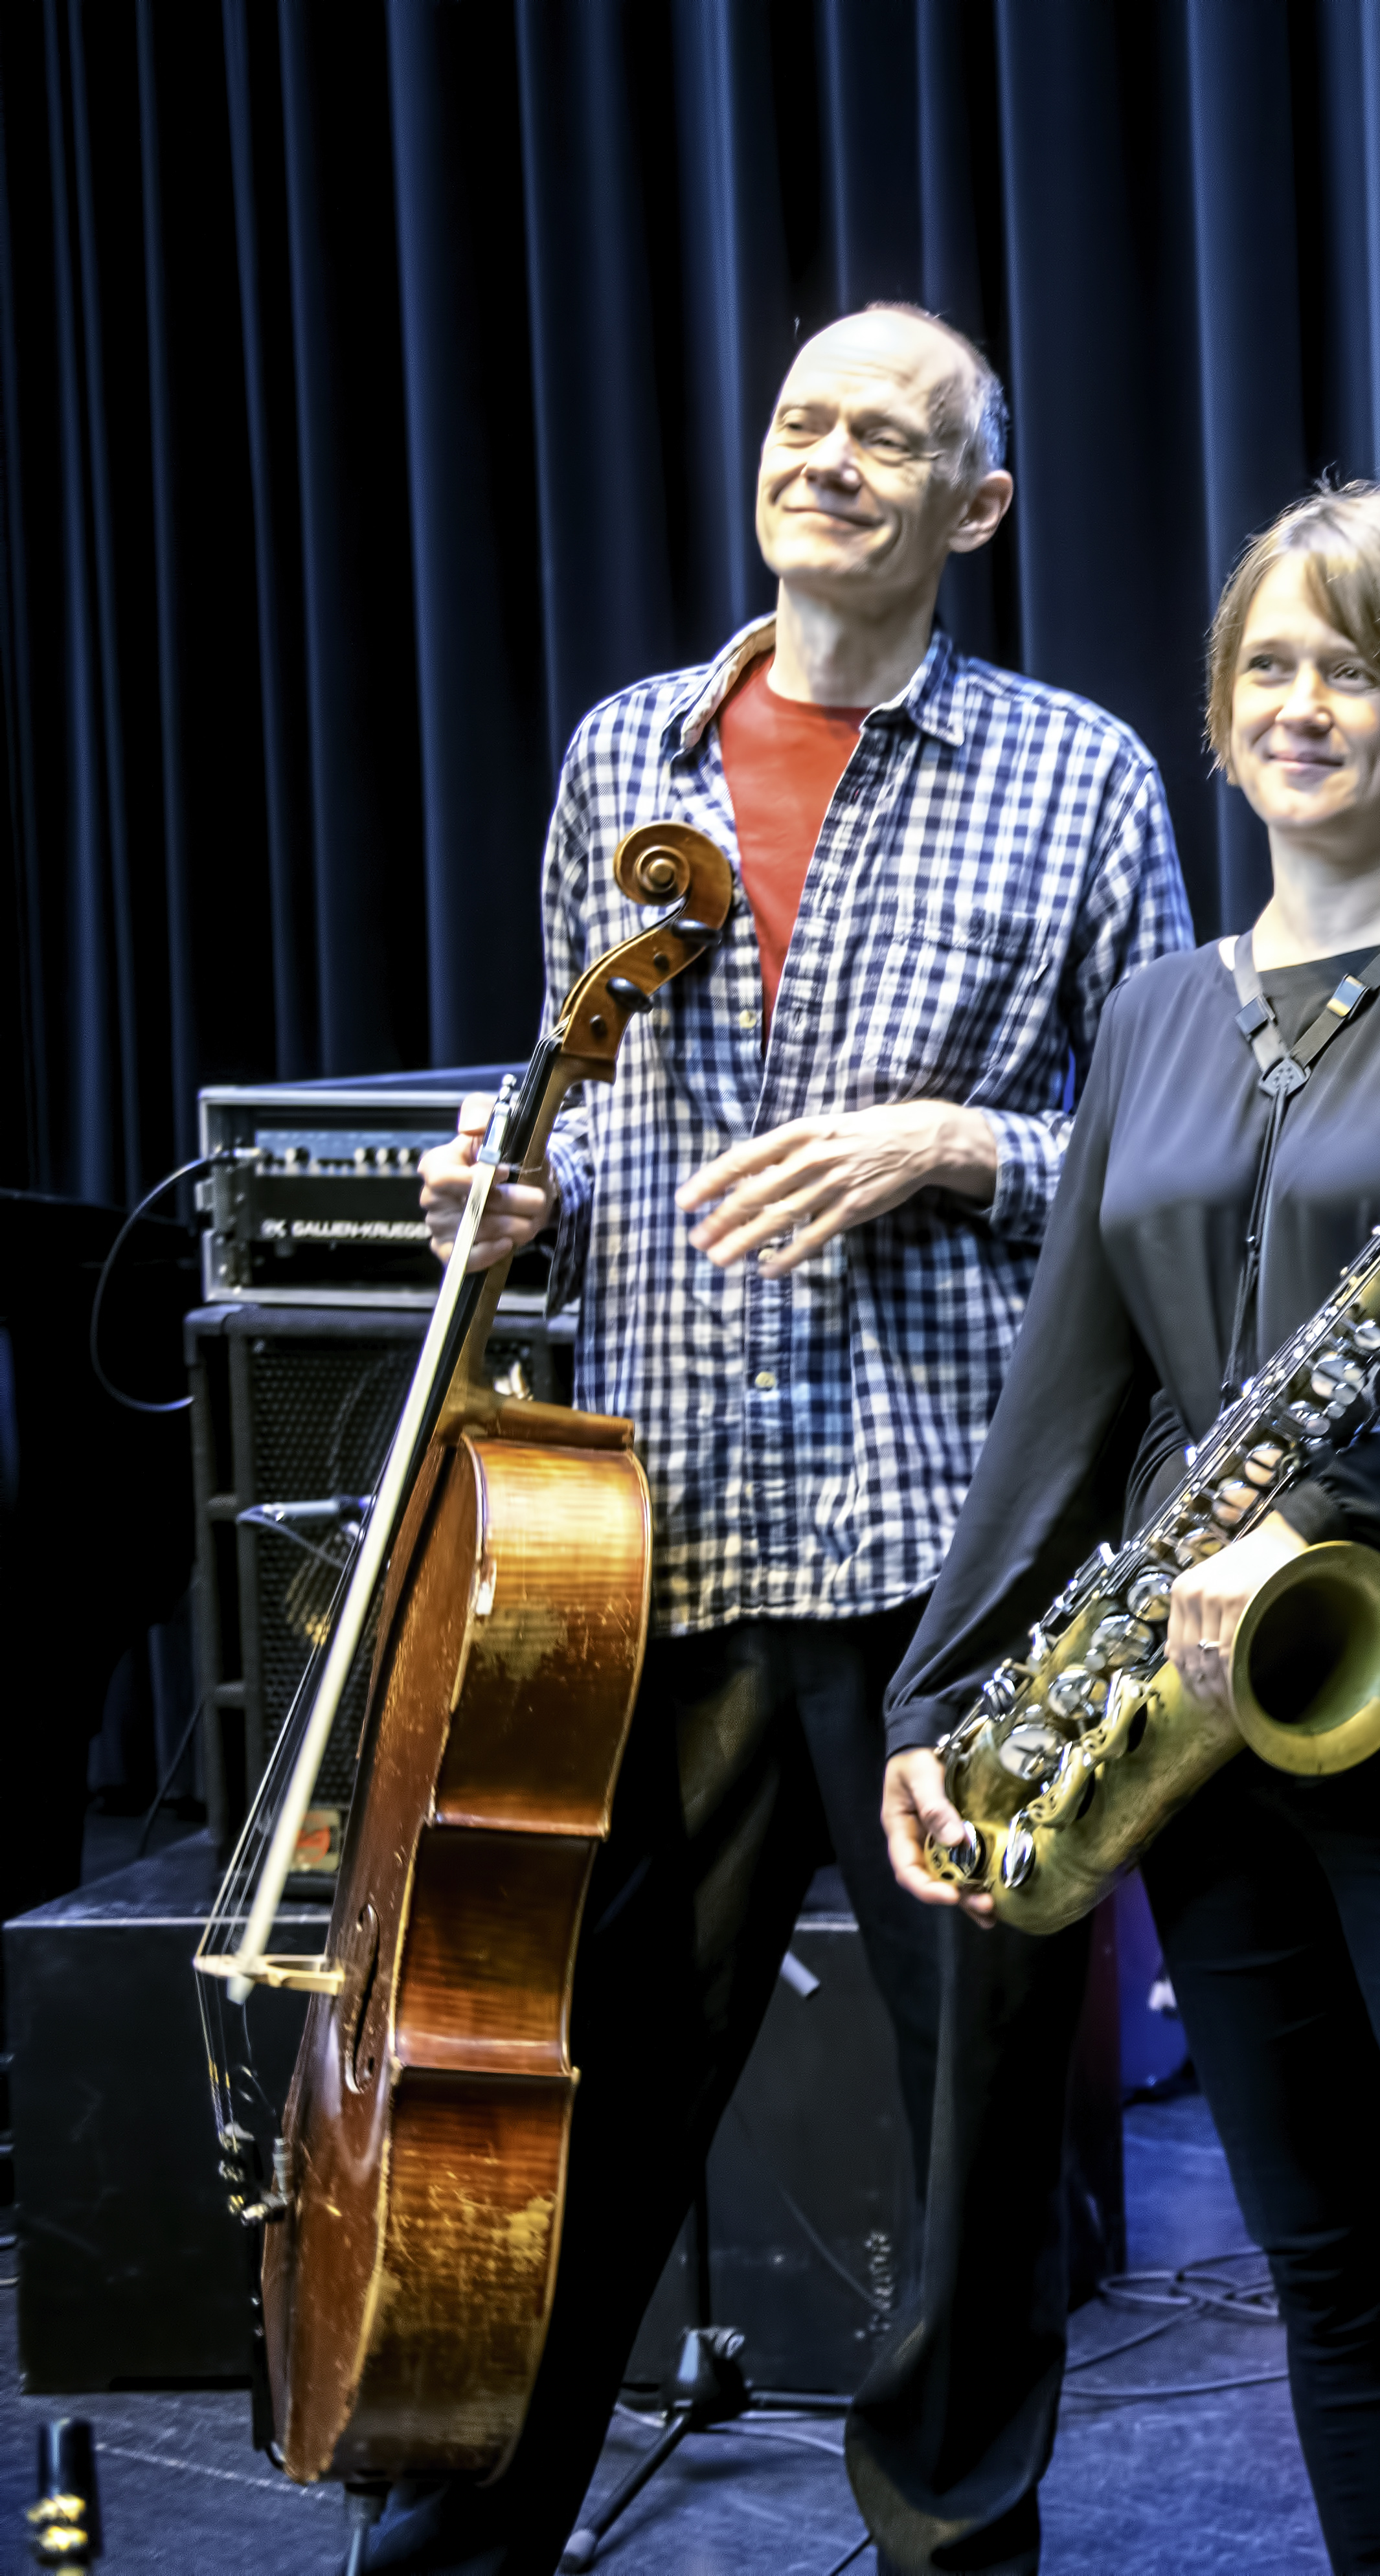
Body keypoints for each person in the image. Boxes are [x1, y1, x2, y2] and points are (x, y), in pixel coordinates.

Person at [411, 303, 1191, 2575]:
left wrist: (953, 1137)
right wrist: (514, 1192)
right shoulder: (621, 754)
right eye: (801, 423)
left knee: (975, 2131)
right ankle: (460, 2548)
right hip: (659, 1534)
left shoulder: (1082, 774)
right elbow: (590, 1131)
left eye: (890, 436)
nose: (831, 460)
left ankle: (954, 2551)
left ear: (980, 507)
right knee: (581, 2103)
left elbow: (1162, 1160)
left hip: (957, 1545)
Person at [877, 479, 1380, 2572]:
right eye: (1266, 667)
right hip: (1204, 1736)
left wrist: (1311, 1502)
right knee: (1334, 2298)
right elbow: (1073, 1400)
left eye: (1348, 663)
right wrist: (942, 1696)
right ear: (1220, 715)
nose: (1302, 703)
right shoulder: (1151, 1016)